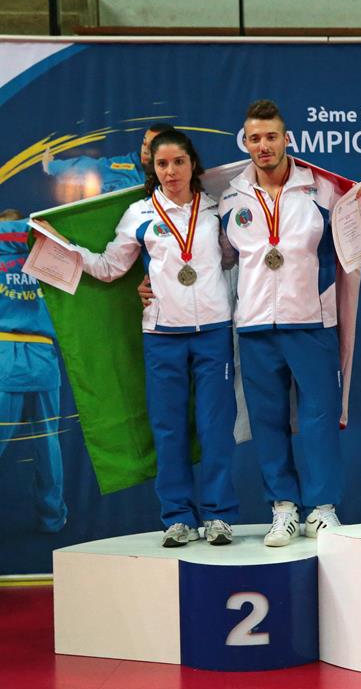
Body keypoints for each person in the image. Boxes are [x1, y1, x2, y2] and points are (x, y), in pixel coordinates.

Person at [37, 129, 238, 547]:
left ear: (192, 164)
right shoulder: (139, 213)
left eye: (178, 162)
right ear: (153, 168)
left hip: (214, 333)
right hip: (162, 336)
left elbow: (232, 258)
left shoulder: (216, 208)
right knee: (168, 429)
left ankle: (219, 515)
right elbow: (109, 268)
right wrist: (63, 246)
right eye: (162, 164)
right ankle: (178, 518)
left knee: (216, 428)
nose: (171, 171)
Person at [218, 99, 361, 547]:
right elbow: (218, 259)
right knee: (267, 421)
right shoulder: (231, 197)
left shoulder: (323, 190)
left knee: (318, 419)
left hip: (312, 322)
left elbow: (357, 247)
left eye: (271, 136)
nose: (264, 145)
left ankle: (323, 509)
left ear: (287, 139)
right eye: (255, 138)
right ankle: (283, 508)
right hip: (255, 325)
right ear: (246, 142)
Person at [0, 210, 67, 533]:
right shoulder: (48, 248)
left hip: (6, 357)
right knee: (48, 443)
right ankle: (53, 519)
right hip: (43, 357)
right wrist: (38, 230)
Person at [42, 123, 173, 195]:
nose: (145, 149)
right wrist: (52, 166)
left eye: (153, 145)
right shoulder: (127, 168)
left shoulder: (180, 178)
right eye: (144, 143)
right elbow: (91, 167)